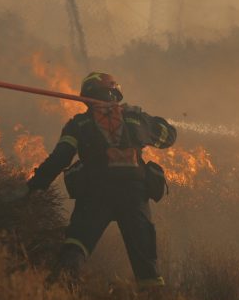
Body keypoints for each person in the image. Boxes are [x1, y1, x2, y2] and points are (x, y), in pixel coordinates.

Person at [27, 71, 177, 287]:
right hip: (134, 195)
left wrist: (34, 186)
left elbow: (59, 159)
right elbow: (168, 137)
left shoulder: (78, 124)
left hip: (95, 193)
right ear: (115, 93)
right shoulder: (135, 117)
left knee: (75, 248)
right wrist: (153, 122)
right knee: (147, 267)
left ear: (86, 96)